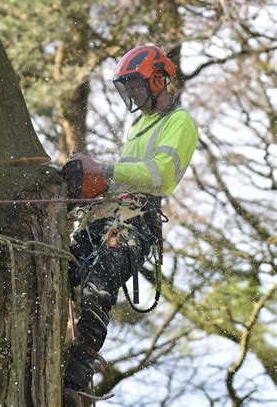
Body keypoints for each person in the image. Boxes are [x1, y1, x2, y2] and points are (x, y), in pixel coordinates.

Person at [62, 44, 198, 405]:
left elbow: (161, 177)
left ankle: (76, 379)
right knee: (58, 271)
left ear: (158, 79)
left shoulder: (179, 122)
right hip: (103, 216)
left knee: (98, 284)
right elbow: (122, 177)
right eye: (128, 89)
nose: (133, 94)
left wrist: (103, 171)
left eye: (136, 86)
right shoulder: (138, 124)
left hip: (134, 225)